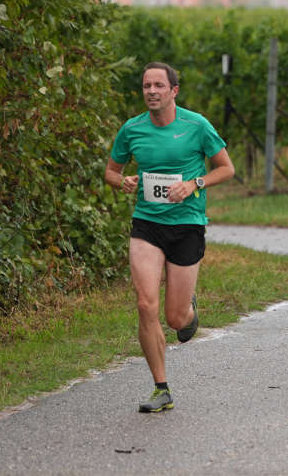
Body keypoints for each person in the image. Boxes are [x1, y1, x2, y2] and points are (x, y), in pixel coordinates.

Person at [104, 62, 235, 412]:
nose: (151, 91)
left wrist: (195, 183)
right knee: (145, 304)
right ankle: (161, 387)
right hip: (146, 225)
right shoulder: (132, 129)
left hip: (187, 225)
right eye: (147, 85)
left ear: (173, 91)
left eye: (159, 85)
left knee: (174, 318)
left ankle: (189, 311)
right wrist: (124, 182)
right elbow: (111, 171)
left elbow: (226, 168)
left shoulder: (196, 126)